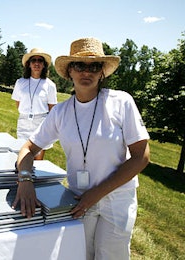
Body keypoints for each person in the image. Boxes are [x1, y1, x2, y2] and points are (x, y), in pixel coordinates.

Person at [12, 37, 150, 259]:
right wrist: (25, 180)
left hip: (117, 199)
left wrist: (96, 193)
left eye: (94, 66)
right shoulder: (60, 112)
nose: (87, 72)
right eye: (80, 65)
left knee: (111, 255)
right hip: (78, 200)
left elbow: (141, 156)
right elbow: (29, 147)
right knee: (79, 254)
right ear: (69, 72)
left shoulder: (121, 102)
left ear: (101, 72)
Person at [11, 48, 57, 160]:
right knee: (23, 156)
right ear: (29, 64)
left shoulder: (50, 85)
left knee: (38, 159)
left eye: (40, 61)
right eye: (33, 60)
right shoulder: (20, 82)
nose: (37, 63)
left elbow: (52, 108)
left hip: (41, 123)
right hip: (24, 122)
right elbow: (18, 103)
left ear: (44, 65)